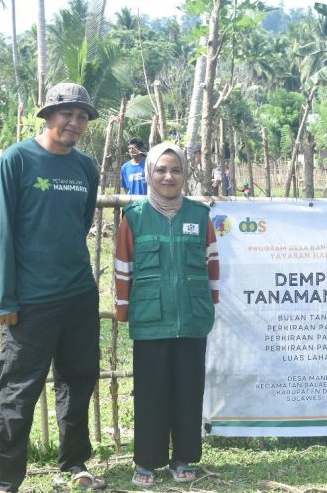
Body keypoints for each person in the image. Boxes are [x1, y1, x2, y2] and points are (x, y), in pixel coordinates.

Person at [0, 82, 105, 492]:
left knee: (80, 379)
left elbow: (81, 224)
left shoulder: (85, 167)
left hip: (78, 294)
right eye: (67, 113)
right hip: (32, 301)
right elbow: (0, 231)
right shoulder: (17, 159)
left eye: (83, 116)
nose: (75, 122)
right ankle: (3, 481)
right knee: (17, 391)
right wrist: (4, 297)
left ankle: (75, 463)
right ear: (48, 116)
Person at [114, 142, 220, 488]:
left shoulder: (199, 216)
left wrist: (210, 304)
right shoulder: (135, 217)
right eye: (161, 169)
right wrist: (123, 308)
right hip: (149, 319)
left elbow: (212, 265)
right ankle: (147, 461)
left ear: (184, 173)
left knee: (188, 390)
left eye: (175, 170)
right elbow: (123, 266)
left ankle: (183, 458)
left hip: (192, 318)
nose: (168, 176)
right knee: (151, 393)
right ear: (149, 174)